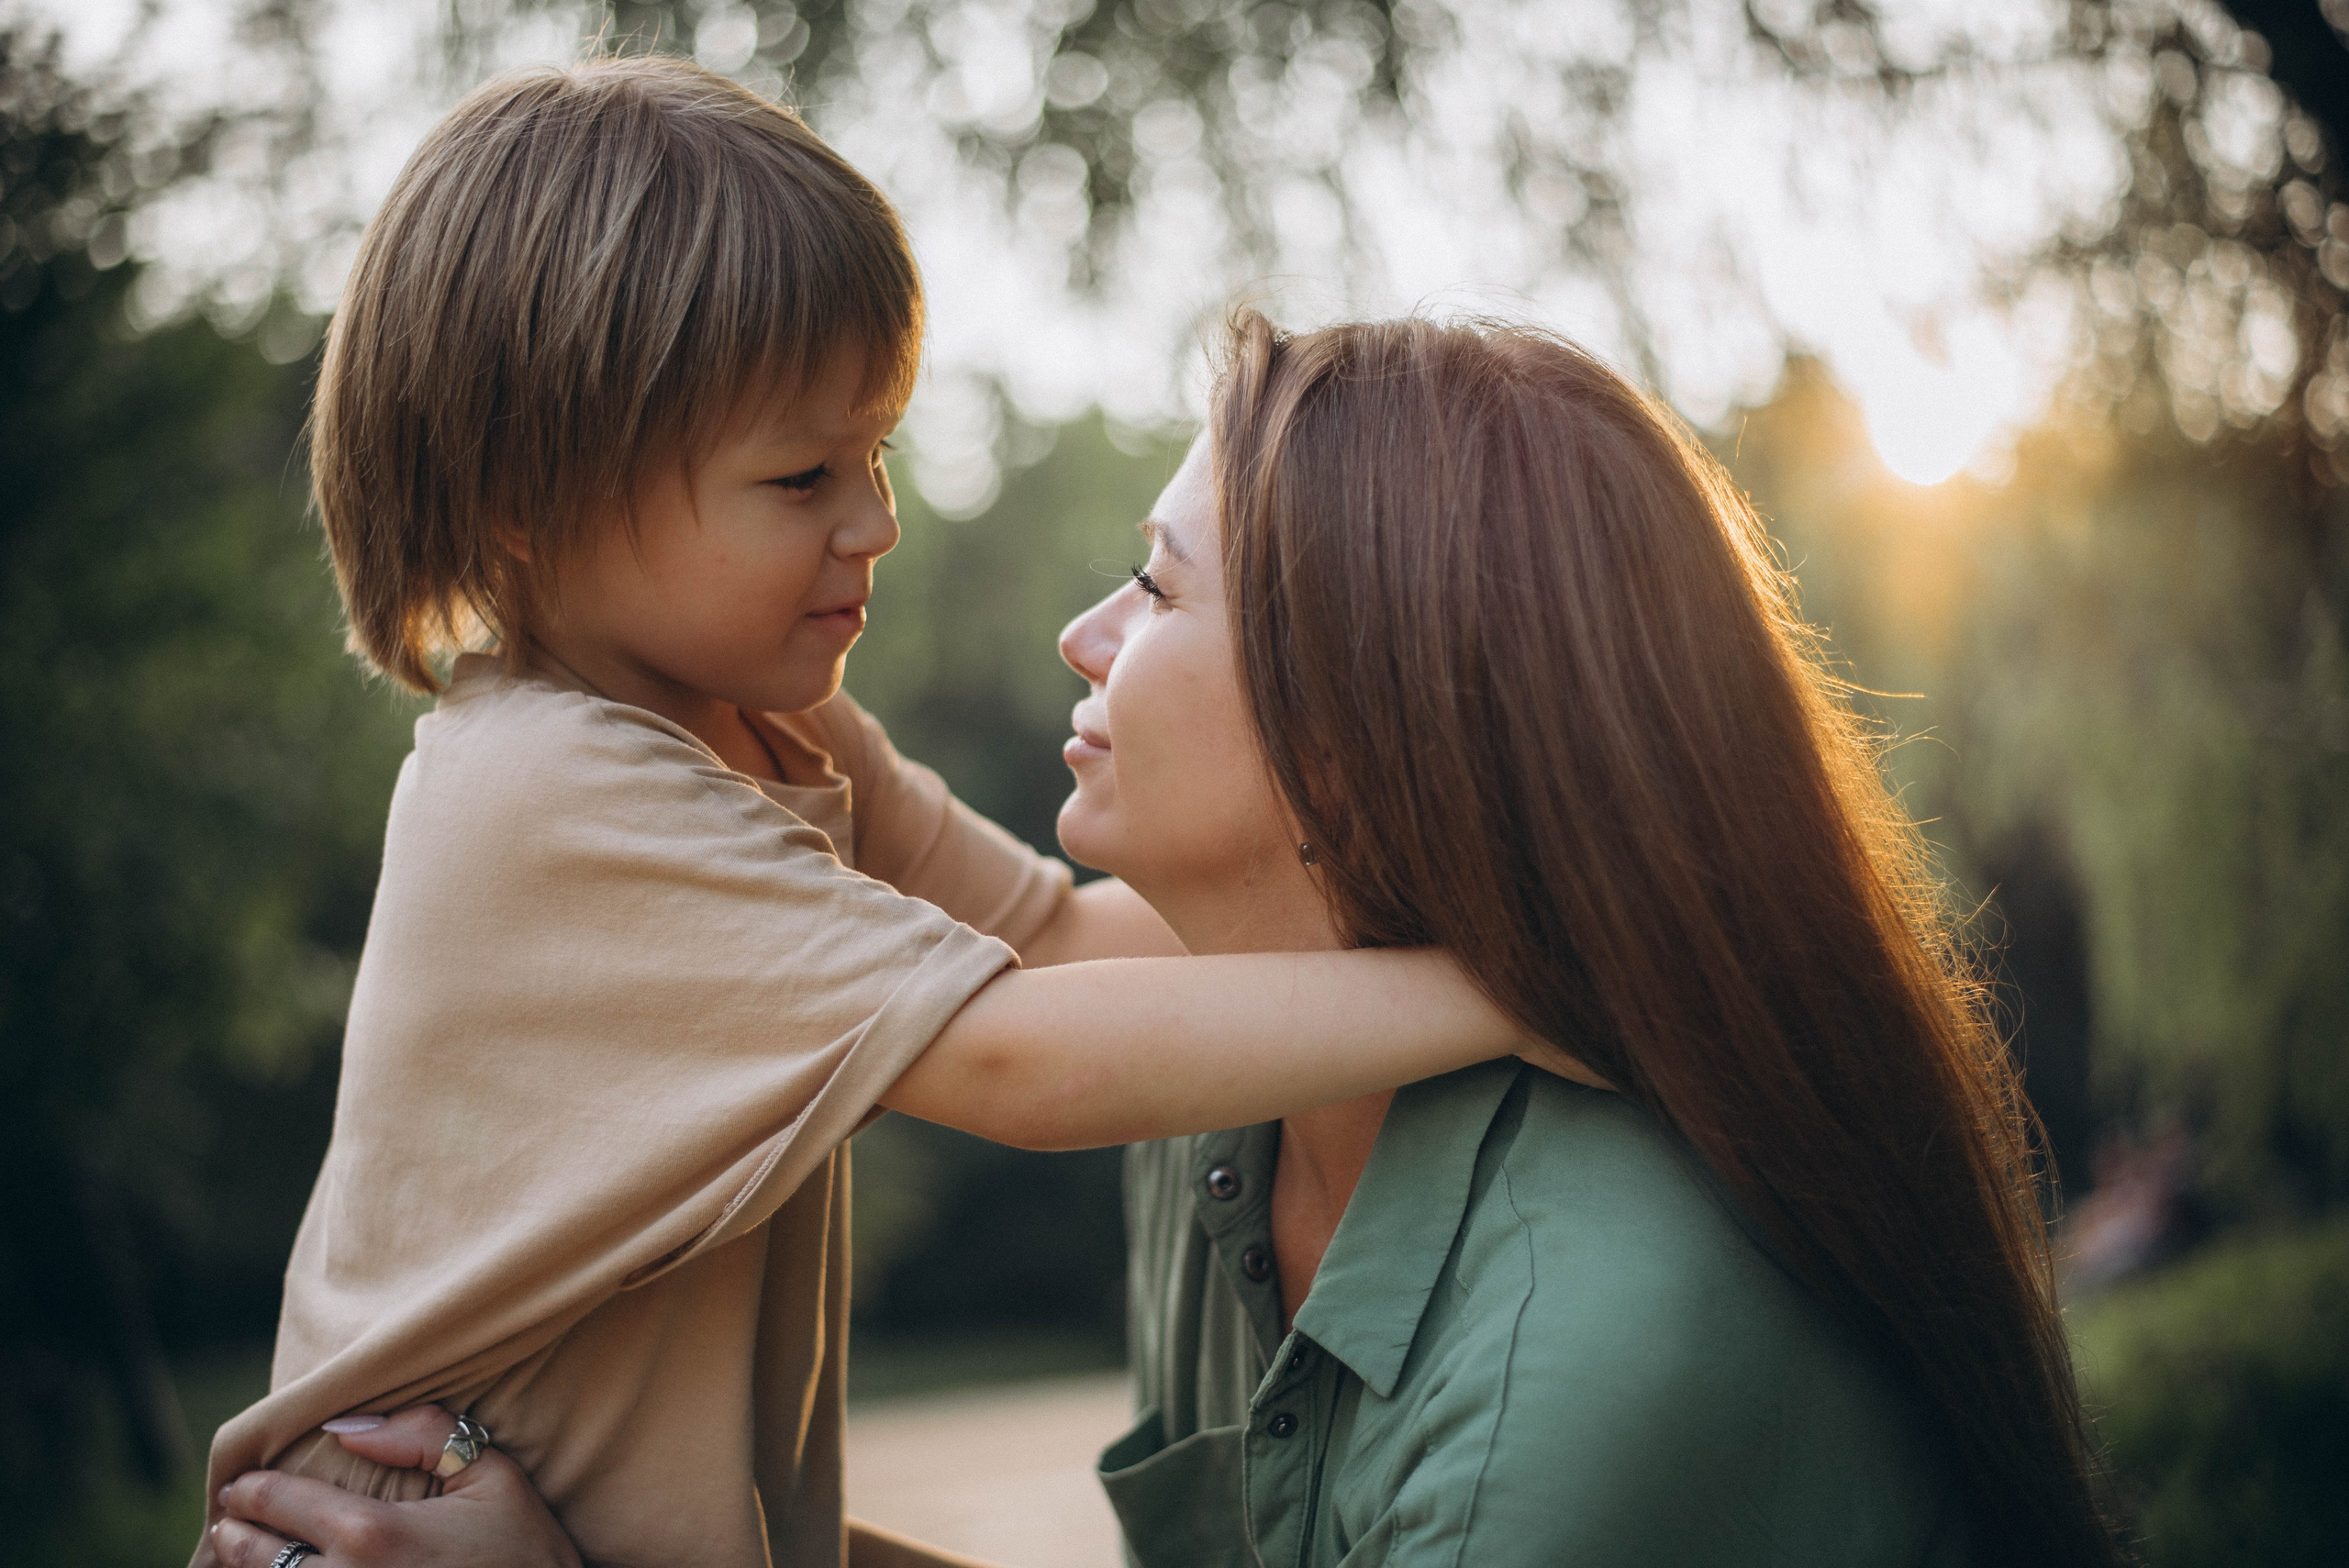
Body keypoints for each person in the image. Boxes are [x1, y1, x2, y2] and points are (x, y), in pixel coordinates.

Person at [217, 309, 2126, 1567]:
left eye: (1154, 585)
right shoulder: (1227, 1104)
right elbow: (1034, 980)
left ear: (1369, 721)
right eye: (799, 479)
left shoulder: (1575, 1384)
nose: (1078, 633)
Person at [190, 64, 1573, 1568]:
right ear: (532, 499)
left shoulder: (765, 727)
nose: (878, 519)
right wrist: (1508, 992)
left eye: (877, 449)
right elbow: (1016, 1060)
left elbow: (1055, 942)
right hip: (386, 1530)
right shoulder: (549, 788)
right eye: (802, 474)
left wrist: (1474, 884)